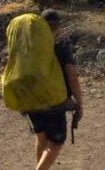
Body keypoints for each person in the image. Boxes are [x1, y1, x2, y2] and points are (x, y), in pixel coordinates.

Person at [26, 9, 84, 170]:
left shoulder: (30, 44)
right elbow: (72, 76)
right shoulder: (61, 45)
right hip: (54, 100)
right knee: (56, 142)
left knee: (41, 138)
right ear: (58, 26)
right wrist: (79, 102)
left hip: (31, 98)